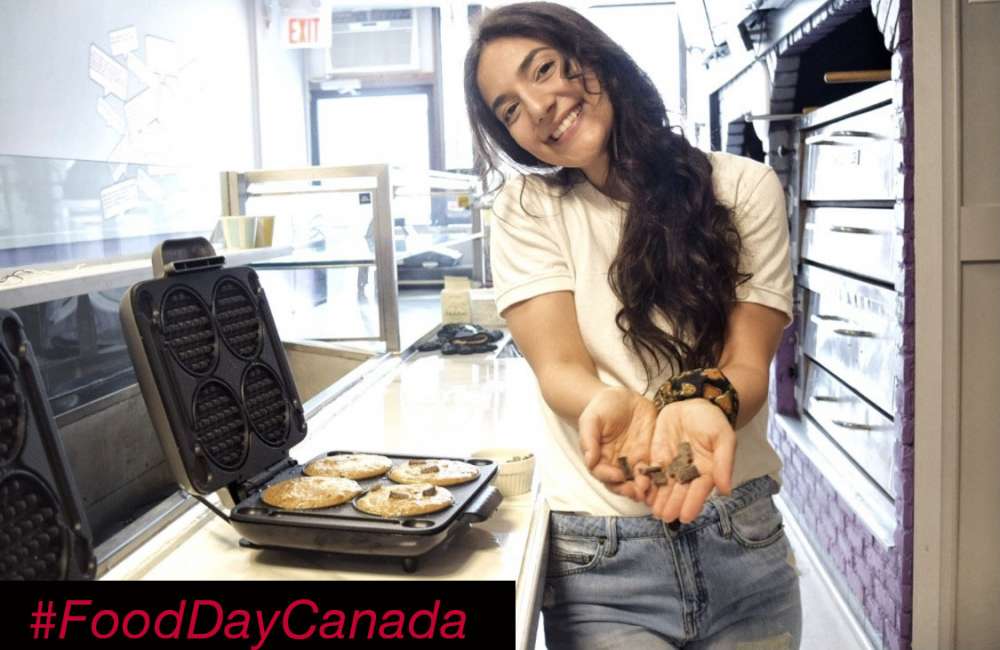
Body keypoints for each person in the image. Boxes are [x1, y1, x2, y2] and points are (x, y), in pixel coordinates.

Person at [464, 3, 800, 648]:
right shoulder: (525, 209)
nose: (536, 108)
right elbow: (559, 367)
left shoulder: (744, 186)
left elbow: (749, 361)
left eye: (544, 70)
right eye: (508, 109)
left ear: (597, 61)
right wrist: (606, 403)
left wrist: (701, 405)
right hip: (601, 554)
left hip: (741, 532)